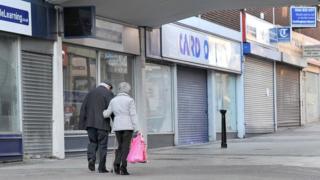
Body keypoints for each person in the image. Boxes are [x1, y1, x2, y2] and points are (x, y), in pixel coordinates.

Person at [103, 82, 139, 175]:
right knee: (126, 147)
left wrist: (102, 111)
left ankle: (116, 165)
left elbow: (107, 114)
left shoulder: (113, 100)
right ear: (127, 90)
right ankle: (123, 168)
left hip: (118, 126)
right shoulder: (130, 100)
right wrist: (137, 128)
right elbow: (133, 115)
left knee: (120, 146)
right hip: (128, 126)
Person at [79, 81, 114, 173]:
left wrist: (83, 123)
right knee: (102, 145)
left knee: (92, 142)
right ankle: (101, 168)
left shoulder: (90, 93)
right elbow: (112, 108)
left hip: (90, 124)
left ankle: (91, 159)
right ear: (109, 87)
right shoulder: (108, 93)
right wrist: (116, 122)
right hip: (102, 124)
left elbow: (83, 108)